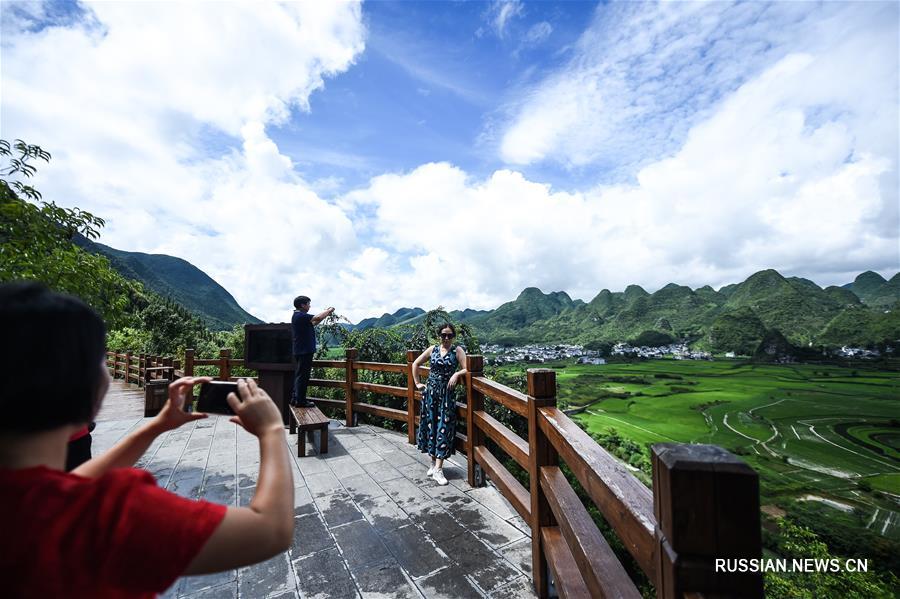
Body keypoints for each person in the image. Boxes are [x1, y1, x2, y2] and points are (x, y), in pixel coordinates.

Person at [0, 282, 294, 598]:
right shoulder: (112, 516)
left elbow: (71, 485)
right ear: (80, 385)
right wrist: (272, 431)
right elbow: (270, 530)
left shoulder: (31, 501)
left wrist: (157, 426)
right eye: (101, 359)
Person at [412, 323, 467, 486]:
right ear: (439, 335)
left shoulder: (457, 350)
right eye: (444, 335)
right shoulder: (432, 349)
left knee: (444, 427)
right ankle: (433, 463)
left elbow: (467, 368)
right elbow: (415, 364)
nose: (446, 338)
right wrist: (417, 383)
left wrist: (456, 374)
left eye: (450, 335)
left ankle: (438, 469)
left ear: (453, 336)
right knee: (431, 427)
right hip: (430, 394)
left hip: (446, 396)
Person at [291, 295, 334, 408]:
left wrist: (326, 315)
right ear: (302, 305)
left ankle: (295, 399)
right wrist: (328, 310)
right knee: (303, 376)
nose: (310, 306)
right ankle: (300, 401)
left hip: (301, 350)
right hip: (304, 351)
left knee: (300, 375)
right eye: (308, 304)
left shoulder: (299, 317)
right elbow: (317, 318)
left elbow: (315, 322)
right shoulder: (300, 315)